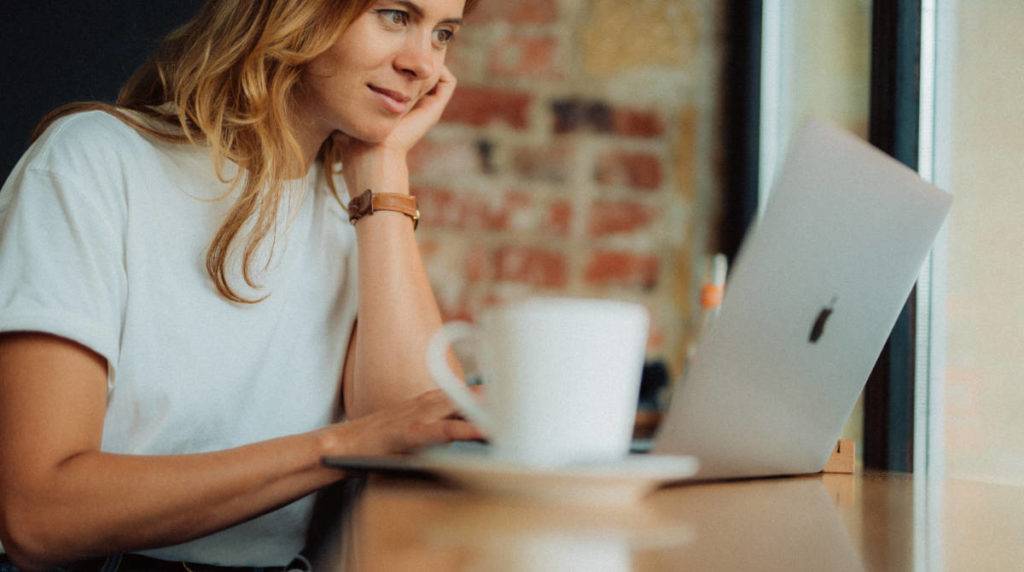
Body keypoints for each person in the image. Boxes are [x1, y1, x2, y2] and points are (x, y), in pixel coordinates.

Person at [0, 0, 483, 569]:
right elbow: (40, 516)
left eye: (443, 33)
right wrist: (338, 447)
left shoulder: (353, 215)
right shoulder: (95, 163)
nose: (423, 64)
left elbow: (414, 444)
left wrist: (383, 175)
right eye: (395, 16)